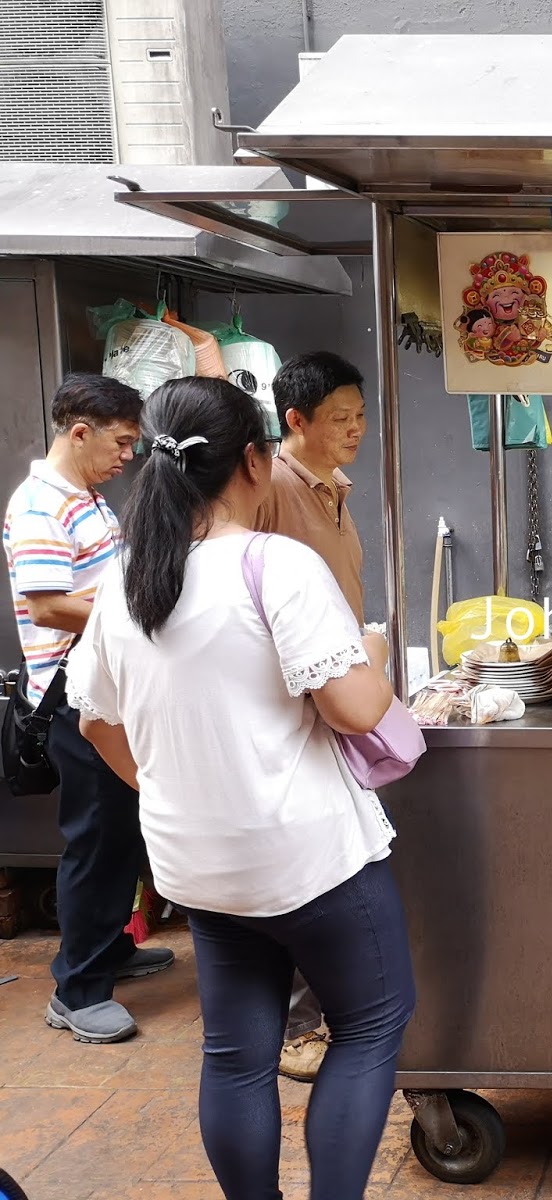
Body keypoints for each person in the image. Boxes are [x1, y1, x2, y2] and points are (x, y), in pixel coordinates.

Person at [68, 376, 414, 1200]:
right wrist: (373, 651)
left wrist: (164, 790)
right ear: (254, 462)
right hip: (308, 859)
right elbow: (356, 707)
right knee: (369, 1027)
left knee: (234, 1056)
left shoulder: (125, 583)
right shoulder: (273, 565)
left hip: (199, 865)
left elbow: (96, 723)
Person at [3, 374, 172, 1046]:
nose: (128, 454)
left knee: (122, 830)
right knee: (96, 838)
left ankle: (108, 950)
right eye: (122, 441)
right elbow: (46, 604)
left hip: (105, 686)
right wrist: (140, 610)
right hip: (73, 695)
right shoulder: (41, 504)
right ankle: (76, 990)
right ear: (80, 432)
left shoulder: (86, 497)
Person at [253, 351, 368, 1080]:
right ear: (295, 421)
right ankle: (296, 1029)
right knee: (304, 872)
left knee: (333, 862)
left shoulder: (336, 486)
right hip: (289, 709)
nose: (357, 429)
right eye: (341, 419)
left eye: (362, 416)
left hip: (335, 698)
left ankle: (317, 1013)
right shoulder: (269, 489)